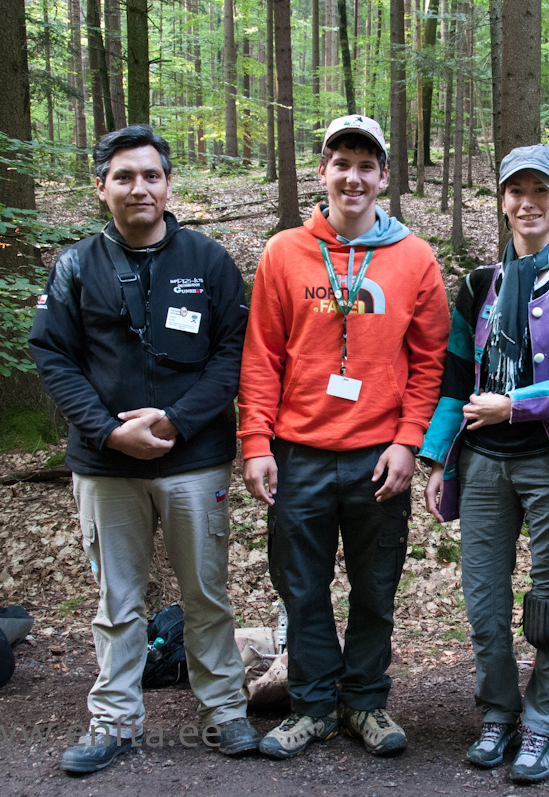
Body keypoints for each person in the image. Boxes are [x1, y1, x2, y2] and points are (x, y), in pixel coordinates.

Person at [29, 124, 258, 774]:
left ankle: (224, 712)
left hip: (195, 458)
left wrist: (178, 420)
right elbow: (51, 353)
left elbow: (233, 352)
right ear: (100, 186)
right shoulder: (76, 266)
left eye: (150, 175)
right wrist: (106, 429)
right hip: (106, 464)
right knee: (116, 600)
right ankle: (115, 721)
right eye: (123, 176)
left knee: (206, 594)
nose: (139, 188)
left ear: (168, 184)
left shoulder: (208, 261)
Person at [238, 114, 449, 760]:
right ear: (322, 171)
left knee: (375, 586)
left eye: (366, 164)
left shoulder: (414, 258)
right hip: (298, 455)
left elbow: (431, 360)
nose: (352, 176)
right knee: (301, 590)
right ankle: (312, 704)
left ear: (383, 176)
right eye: (341, 162)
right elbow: (261, 357)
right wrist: (255, 444)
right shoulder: (284, 253)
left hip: (377, 457)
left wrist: (409, 442)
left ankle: (365, 701)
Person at [421, 144, 549, 784]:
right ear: (503, 200)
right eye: (516, 191)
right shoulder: (480, 285)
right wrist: (436, 457)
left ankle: (541, 727)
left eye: (541, 191)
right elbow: (456, 376)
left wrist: (516, 404)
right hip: (482, 464)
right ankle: (498, 714)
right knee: (484, 602)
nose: (527, 203)